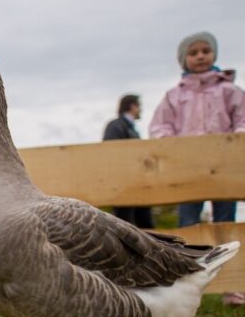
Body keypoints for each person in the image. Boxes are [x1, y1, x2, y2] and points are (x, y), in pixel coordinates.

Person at [149, 31, 244, 227]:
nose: (200, 56)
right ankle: (188, 257)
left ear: (213, 54)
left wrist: (237, 139)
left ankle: (229, 255)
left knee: (225, 218)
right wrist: (169, 141)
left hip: (224, 164)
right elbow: (160, 125)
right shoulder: (174, 95)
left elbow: (242, 119)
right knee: (188, 220)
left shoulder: (229, 91)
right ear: (184, 59)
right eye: (193, 53)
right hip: (188, 167)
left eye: (205, 51)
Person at [102, 94, 153, 228]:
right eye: (139, 106)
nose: (140, 110)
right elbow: (110, 152)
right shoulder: (116, 126)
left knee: (145, 223)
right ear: (132, 106)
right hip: (123, 186)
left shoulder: (130, 128)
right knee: (124, 224)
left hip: (138, 183)